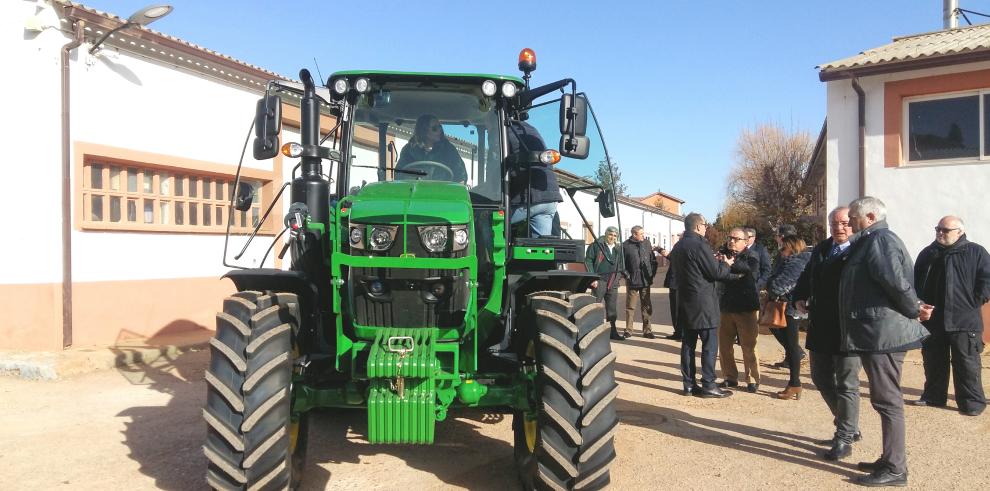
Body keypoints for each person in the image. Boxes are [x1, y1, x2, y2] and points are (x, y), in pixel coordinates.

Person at [840, 196, 930, 487]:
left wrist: (914, 309)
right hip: (874, 333)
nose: (849, 221)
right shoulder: (869, 241)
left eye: (853, 216)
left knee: (888, 401)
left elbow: (895, 282)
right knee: (884, 400)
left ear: (869, 217)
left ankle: (895, 468)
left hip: (883, 334)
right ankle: (889, 458)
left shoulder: (879, 241)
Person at [794, 207, 862, 461]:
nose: (839, 228)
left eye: (844, 223)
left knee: (847, 384)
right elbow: (806, 276)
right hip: (821, 326)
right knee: (820, 377)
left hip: (849, 329)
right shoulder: (823, 248)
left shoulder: (861, 250)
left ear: (854, 224)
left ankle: (844, 436)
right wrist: (799, 296)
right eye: (834, 223)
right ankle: (848, 425)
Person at [912, 215, 990, 416]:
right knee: (933, 361)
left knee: (967, 363)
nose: (940, 233)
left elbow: (987, 279)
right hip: (934, 320)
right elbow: (916, 281)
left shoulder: (976, 252)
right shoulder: (928, 253)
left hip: (965, 320)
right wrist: (919, 304)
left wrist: (975, 300)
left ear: (960, 232)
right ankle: (933, 397)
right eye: (938, 229)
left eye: (945, 230)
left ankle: (971, 403)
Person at [670, 213, 735, 398]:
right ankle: (708, 384)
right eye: (705, 225)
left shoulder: (678, 245)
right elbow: (715, 272)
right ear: (698, 226)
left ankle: (689, 384)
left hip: (685, 300)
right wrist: (726, 264)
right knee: (709, 344)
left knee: (688, 345)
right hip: (703, 302)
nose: (706, 228)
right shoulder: (699, 244)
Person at [715, 227, 762, 393]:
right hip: (726, 307)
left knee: (749, 345)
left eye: (736, 239)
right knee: (725, 345)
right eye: (730, 238)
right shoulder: (722, 253)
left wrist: (730, 263)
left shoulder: (751, 255)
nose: (731, 241)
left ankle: (752, 379)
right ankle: (730, 377)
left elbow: (751, 271)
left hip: (745, 308)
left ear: (745, 241)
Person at [766, 234, 810, 400]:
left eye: (783, 248)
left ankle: (795, 383)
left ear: (792, 247)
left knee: (792, 347)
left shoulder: (796, 263)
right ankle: (794, 382)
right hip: (788, 306)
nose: (781, 251)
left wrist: (771, 284)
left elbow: (779, 286)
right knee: (789, 345)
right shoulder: (790, 262)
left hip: (791, 307)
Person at [506, 119, 563, 237]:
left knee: (482, 219)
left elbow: (496, 167)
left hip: (529, 199)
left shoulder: (502, 129)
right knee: (539, 248)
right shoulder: (529, 129)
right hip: (549, 200)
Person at [770, 224, 806, 368]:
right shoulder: (786, 253)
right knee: (777, 326)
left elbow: (781, 278)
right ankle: (791, 356)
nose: (777, 238)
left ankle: (795, 357)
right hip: (785, 299)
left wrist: (771, 285)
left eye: (778, 235)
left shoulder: (794, 258)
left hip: (790, 301)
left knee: (788, 333)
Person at [396, 114, 468, 183]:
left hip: (442, 193)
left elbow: (461, 176)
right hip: (415, 193)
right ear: (424, 131)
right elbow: (399, 175)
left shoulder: (449, 150)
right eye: (435, 128)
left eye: (440, 127)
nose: (439, 130)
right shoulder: (409, 150)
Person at [586, 226, 626, 341]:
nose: (612, 237)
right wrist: (592, 278)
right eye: (610, 235)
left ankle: (612, 332)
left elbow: (621, 265)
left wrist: (618, 278)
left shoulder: (618, 248)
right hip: (599, 281)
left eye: (614, 236)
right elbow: (588, 260)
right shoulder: (597, 245)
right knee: (595, 306)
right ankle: (591, 332)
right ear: (605, 234)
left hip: (613, 282)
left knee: (612, 310)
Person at [622, 226, 658, 338]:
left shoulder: (647, 244)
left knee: (646, 306)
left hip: (645, 281)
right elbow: (621, 264)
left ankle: (647, 331)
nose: (644, 235)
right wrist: (627, 276)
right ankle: (628, 330)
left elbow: (653, 260)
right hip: (632, 281)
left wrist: (652, 274)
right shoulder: (625, 245)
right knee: (630, 307)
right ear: (634, 234)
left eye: (643, 233)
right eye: (641, 233)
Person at [660, 246, 682, 340]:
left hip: (677, 283)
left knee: (676, 309)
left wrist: (660, 250)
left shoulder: (681, 247)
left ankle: (679, 333)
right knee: (678, 309)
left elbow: (671, 256)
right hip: (681, 283)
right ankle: (679, 332)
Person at [745, 227, 772, 292]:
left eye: (748, 237)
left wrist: (759, 283)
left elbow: (767, 269)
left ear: (754, 237)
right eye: (744, 236)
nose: (745, 238)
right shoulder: (738, 248)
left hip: (753, 286)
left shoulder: (760, 249)